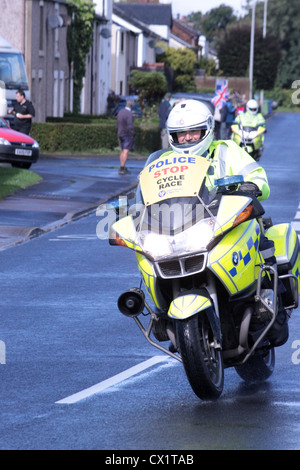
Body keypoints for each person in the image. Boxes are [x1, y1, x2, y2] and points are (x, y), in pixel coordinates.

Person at [117, 99, 135, 175]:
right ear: (131, 105)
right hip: (127, 134)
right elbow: (130, 125)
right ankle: (122, 167)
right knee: (126, 150)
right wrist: (132, 134)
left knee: (123, 150)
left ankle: (122, 166)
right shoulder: (129, 114)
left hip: (120, 133)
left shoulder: (120, 112)